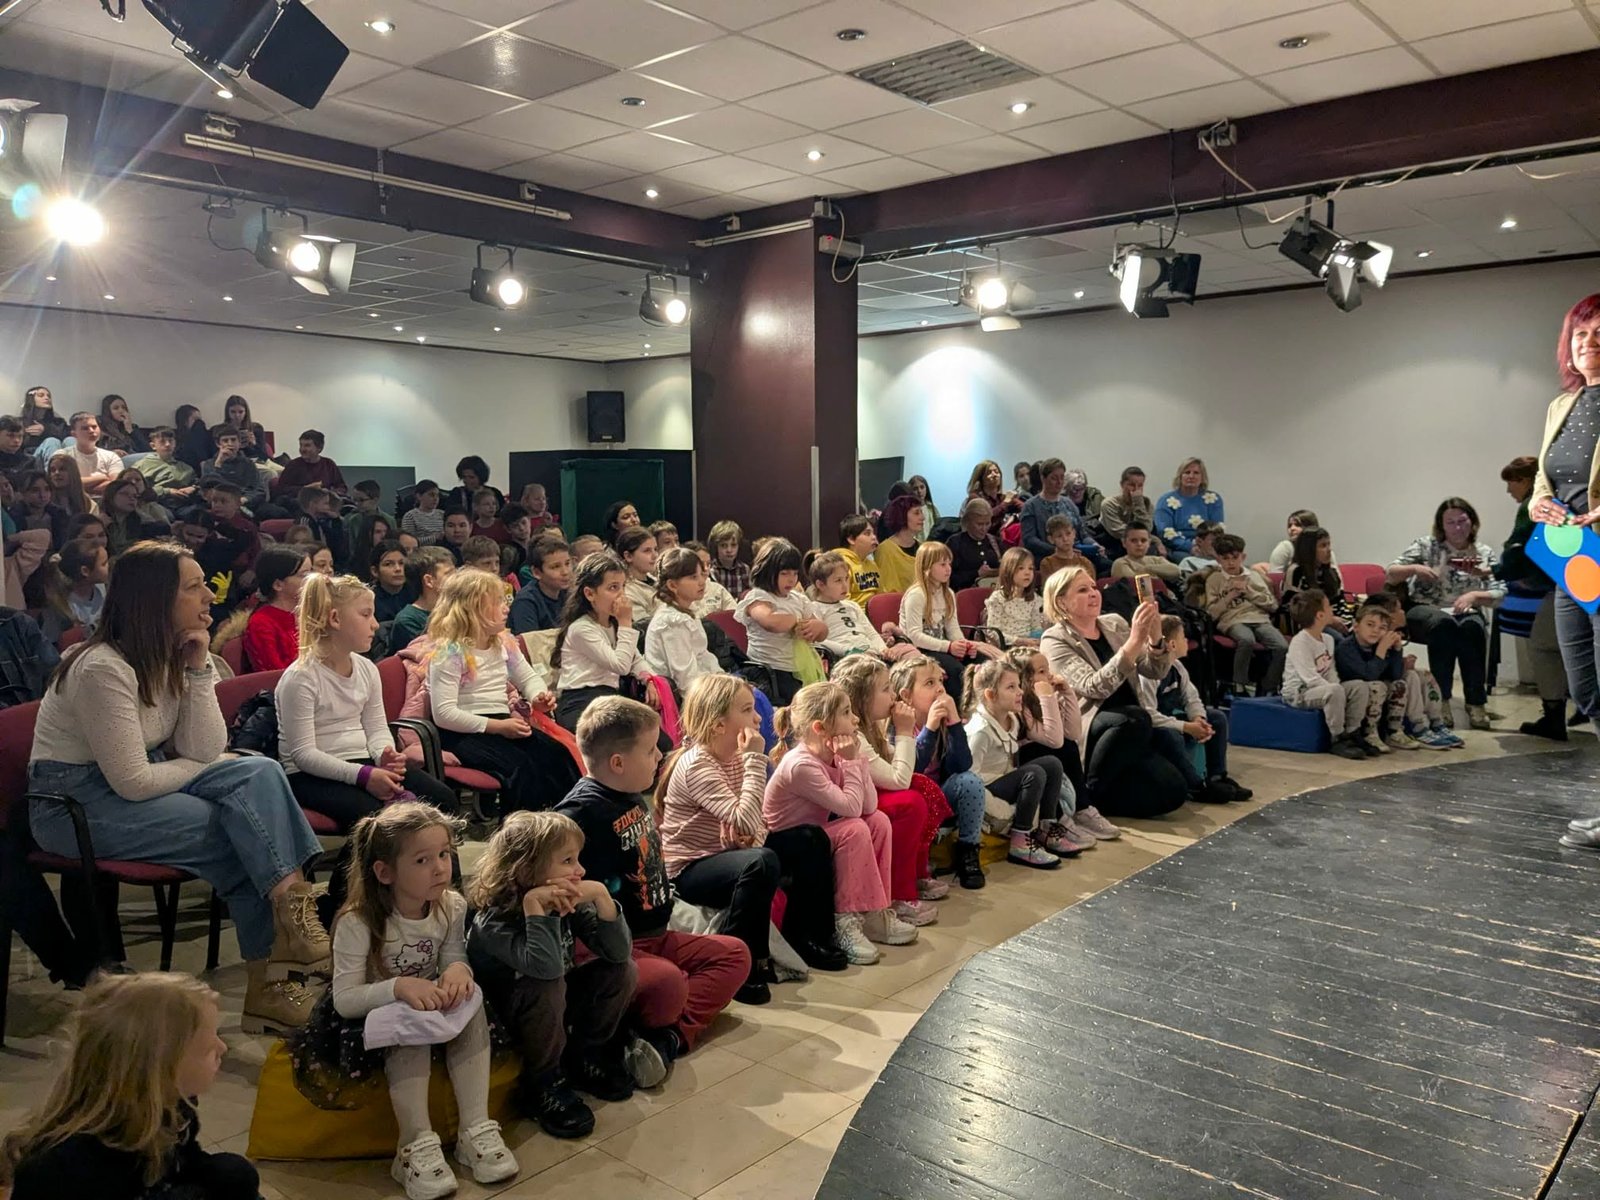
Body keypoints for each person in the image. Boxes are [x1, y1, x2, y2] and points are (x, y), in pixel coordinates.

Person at [28, 542, 327, 1030]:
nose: (210, 596)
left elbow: (205, 747)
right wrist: (201, 763)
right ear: (155, 599)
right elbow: (134, 781)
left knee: (260, 770)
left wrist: (198, 668)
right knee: (242, 834)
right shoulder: (101, 666)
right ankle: (274, 981)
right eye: (194, 587)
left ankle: (292, 915)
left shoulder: (171, 652)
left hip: (140, 778)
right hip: (73, 803)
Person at [306, 803, 516, 1198]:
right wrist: (398, 988)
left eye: (444, 854)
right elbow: (345, 999)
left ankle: (475, 1129)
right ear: (385, 872)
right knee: (407, 1023)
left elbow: (452, 954)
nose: (440, 868)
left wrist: (458, 971)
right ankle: (414, 1144)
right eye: (422, 860)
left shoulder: (451, 905)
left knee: (472, 1000)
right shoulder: (358, 921)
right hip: (372, 1015)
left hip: (426, 1000)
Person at [559, 698, 754, 1050]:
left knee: (735, 954)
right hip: (618, 949)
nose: (660, 756)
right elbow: (553, 877)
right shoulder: (578, 812)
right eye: (650, 751)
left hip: (658, 935)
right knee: (668, 982)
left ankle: (669, 1037)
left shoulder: (630, 793)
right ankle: (648, 1028)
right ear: (618, 763)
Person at [0, 972, 258, 1200]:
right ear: (159, 1067)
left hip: (148, 1185)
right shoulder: (65, 1168)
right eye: (207, 1047)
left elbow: (185, 1162)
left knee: (233, 1173)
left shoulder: (174, 1106)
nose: (222, 1048)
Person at [658, 675, 846, 973]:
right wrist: (755, 760)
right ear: (719, 724)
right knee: (760, 861)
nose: (758, 717)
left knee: (811, 839)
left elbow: (757, 819)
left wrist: (751, 837)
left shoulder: (735, 755)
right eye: (747, 710)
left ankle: (809, 936)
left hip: (726, 850)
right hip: (690, 869)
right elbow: (745, 818)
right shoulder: (698, 764)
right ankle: (747, 961)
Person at [465, 810, 636, 1138]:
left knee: (622, 969)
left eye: (578, 859)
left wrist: (602, 896)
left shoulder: (565, 902)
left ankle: (584, 1055)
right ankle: (542, 1081)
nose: (580, 870)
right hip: (510, 1019)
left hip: (553, 1007)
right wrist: (534, 906)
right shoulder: (493, 923)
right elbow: (546, 970)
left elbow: (618, 952)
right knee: (546, 985)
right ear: (526, 869)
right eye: (568, 861)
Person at [276, 572, 457, 836]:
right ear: (335, 619)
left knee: (443, 800)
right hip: (310, 775)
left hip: (363, 763)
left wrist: (384, 755)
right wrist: (364, 776)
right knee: (381, 821)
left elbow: (376, 728)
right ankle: (360, 864)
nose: (375, 625)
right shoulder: (300, 678)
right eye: (365, 615)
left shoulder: (367, 668)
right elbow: (304, 755)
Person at [764, 682, 917, 963]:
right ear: (820, 728)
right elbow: (851, 808)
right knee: (854, 829)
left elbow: (869, 806)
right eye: (846, 712)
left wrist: (855, 760)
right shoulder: (801, 764)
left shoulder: (835, 754)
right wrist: (851, 762)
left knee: (878, 821)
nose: (855, 719)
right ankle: (844, 921)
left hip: (815, 835)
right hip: (787, 843)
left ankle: (873, 912)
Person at [424, 567, 580, 814]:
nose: (507, 607)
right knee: (521, 767)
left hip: (503, 723)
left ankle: (566, 819)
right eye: (497, 602)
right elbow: (444, 714)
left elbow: (527, 677)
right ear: (473, 609)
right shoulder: (450, 653)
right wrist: (497, 727)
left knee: (558, 755)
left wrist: (538, 695)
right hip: (463, 732)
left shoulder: (504, 643)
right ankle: (524, 827)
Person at [1040, 565, 1188, 818]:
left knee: (1174, 791)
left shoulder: (1114, 623)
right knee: (1134, 718)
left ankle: (1103, 801)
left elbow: (1155, 671)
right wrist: (1134, 641)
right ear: (1061, 601)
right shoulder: (1054, 639)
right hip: (1093, 722)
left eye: (1093, 587)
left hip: (1131, 727)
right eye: (1082, 590)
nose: (1093, 593)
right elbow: (1094, 687)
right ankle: (1088, 793)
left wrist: (1155, 641)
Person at [832, 656, 949, 925]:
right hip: (845, 808)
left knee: (924, 788)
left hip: (866, 796)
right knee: (910, 802)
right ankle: (898, 893)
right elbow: (898, 779)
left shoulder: (871, 725)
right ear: (862, 697)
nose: (893, 696)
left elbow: (905, 768)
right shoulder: (854, 735)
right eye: (885, 689)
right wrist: (906, 731)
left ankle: (916, 874)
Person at [1387, 497, 1503, 729]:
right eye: (1450, 522)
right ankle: (1441, 700)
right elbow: (1390, 572)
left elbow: (1500, 590)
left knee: (1472, 627)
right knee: (1443, 625)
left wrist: (1474, 596)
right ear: (1441, 525)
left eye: (1462, 521)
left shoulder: (1482, 552)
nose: (1457, 528)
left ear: (1473, 522)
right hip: (1425, 608)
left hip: (1464, 608)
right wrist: (1414, 569)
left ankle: (1475, 702)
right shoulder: (1425, 545)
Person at [961, 658, 1073, 868]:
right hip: (985, 787)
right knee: (1034, 774)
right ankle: (1020, 840)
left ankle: (1047, 828)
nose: (1020, 692)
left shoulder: (1011, 720)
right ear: (991, 695)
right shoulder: (980, 731)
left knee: (1052, 763)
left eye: (1019, 685)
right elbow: (969, 778)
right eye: (1011, 687)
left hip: (1003, 778)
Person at [890, 653, 987, 889]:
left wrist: (953, 723)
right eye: (929, 683)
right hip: (912, 797)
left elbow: (961, 765)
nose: (940, 689)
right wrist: (930, 729)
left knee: (970, 781)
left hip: (940, 798)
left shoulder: (944, 722)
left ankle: (968, 850)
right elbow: (912, 769)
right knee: (918, 791)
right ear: (906, 695)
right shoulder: (897, 725)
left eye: (941, 681)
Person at [1496, 454, 1569, 740]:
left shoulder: (1533, 504)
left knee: (1543, 646)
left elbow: (1518, 549)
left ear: (1526, 480)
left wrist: (1499, 571)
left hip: (1564, 587)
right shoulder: (1564, 498)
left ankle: (1554, 717)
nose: (1508, 490)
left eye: (1511, 482)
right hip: (1578, 581)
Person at [1144, 615, 1251, 801]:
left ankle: (1216, 776)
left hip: (1172, 718)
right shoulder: (1148, 675)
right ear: (1172, 645)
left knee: (1216, 718)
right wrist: (1186, 727)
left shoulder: (1177, 667)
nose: (1187, 641)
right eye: (1183, 637)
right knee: (1171, 735)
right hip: (1155, 725)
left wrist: (1198, 719)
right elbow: (1149, 714)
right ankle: (1195, 786)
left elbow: (1192, 698)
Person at [552, 550, 661, 731]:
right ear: (590, 594)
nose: (622, 595)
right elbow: (621, 666)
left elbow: (635, 659)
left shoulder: (614, 623)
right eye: (613, 588)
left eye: (623, 587)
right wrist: (626, 622)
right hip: (581, 701)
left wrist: (650, 680)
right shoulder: (582, 628)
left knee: (659, 737)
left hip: (609, 697)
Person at [1283, 588, 1383, 760]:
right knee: (1335, 690)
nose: (1332, 610)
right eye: (1329, 606)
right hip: (1299, 692)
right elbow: (1309, 678)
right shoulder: (1300, 641)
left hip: (1323, 687)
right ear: (1320, 615)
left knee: (1359, 686)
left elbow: (1330, 671)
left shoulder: (1328, 639)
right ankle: (1337, 738)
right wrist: (1336, 690)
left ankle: (1353, 732)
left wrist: (1338, 687)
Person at [735, 537, 828, 705]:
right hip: (769, 672)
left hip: (799, 669)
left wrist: (817, 627)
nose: (791, 579)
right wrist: (795, 621)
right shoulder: (758, 597)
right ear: (766, 572)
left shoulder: (799, 599)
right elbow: (771, 622)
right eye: (784, 574)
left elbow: (822, 634)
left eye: (795, 573)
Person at [901, 539, 1000, 691]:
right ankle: (962, 705)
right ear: (927, 567)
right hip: (921, 649)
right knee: (956, 671)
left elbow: (952, 629)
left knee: (984, 662)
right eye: (942, 564)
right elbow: (914, 636)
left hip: (943, 646)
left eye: (949, 564)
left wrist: (964, 645)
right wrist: (948, 646)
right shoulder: (916, 595)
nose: (948, 569)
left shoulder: (948, 593)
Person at [1205, 533, 1287, 696]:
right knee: (1246, 639)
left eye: (1234, 557)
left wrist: (1249, 592)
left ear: (1243, 557)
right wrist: (1229, 596)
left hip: (1259, 619)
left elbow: (1272, 605)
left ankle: (1268, 686)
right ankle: (1239, 684)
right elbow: (1211, 613)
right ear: (1218, 560)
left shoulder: (1254, 577)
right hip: (1233, 620)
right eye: (1225, 558)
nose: (1230, 563)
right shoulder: (1214, 580)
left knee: (1282, 646)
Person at [1335, 601, 1417, 752]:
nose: (1375, 631)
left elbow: (1396, 675)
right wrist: (1382, 649)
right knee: (1376, 686)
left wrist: (1397, 649)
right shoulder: (1346, 647)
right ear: (1356, 626)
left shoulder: (1379, 646)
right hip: (1353, 692)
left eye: (1382, 628)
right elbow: (1369, 675)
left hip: (1375, 689)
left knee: (1399, 684)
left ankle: (1394, 731)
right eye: (1370, 625)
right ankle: (1369, 733)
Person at [644, 546, 722, 696]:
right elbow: (685, 681)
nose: (702, 582)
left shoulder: (686, 611)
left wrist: (724, 680)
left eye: (702, 575)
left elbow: (703, 656)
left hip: (704, 685)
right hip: (688, 697)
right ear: (673, 585)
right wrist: (719, 693)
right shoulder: (672, 622)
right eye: (693, 577)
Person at [810, 550, 906, 660]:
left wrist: (883, 649)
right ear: (820, 585)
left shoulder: (852, 605)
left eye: (846, 578)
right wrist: (849, 651)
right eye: (838, 581)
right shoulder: (814, 608)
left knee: (907, 653)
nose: (845, 585)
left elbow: (871, 633)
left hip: (871, 653)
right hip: (845, 658)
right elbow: (818, 641)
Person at [242, 544, 311, 671]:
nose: (312, 579)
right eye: (304, 575)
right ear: (278, 585)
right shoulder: (261, 623)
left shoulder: (310, 612)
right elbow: (274, 674)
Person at [39, 538, 107, 645]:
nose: (109, 566)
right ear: (85, 571)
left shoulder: (103, 588)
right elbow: (51, 646)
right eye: (104, 564)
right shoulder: (60, 608)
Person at [1282, 526, 1351, 631]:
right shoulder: (1296, 571)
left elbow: (1340, 602)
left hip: (1334, 620)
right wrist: (1329, 620)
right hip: (1308, 624)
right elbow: (1294, 608)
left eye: (1329, 544)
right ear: (1309, 550)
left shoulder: (1331, 571)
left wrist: (1348, 622)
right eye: (1323, 546)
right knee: (1337, 638)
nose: (1329, 550)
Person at [1154, 457, 1225, 557]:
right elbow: (1164, 532)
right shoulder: (1166, 500)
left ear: (1202, 477)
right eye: (1187, 472)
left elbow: (1217, 530)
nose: (1191, 476)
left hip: (1208, 547)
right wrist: (1190, 547)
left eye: (1196, 473)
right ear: (1180, 476)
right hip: (1177, 548)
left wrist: (1206, 548)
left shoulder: (1213, 499)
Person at [392, 545, 455, 655]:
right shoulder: (408, 620)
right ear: (429, 581)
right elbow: (432, 656)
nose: (458, 578)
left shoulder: (456, 608)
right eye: (449, 574)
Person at [1019, 457, 1081, 563]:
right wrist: (1057, 550)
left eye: (1062, 477)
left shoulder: (1069, 503)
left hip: (1075, 554)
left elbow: (1082, 533)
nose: (1059, 482)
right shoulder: (1031, 506)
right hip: (1047, 558)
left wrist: (1094, 544)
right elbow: (1030, 540)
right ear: (1043, 479)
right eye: (1054, 478)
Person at [510, 536, 571, 634]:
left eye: (567, 564)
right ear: (536, 573)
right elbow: (530, 641)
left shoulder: (570, 593)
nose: (565, 572)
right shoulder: (526, 602)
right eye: (555, 567)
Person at [984, 546, 1043, 647]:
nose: (1027, 573)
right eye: (1021, 568)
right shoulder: (997, 598)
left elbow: (1036, 628)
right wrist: (1019, 641)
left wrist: (1038, 640)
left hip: (1030, 646)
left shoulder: (1034, 598)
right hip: (1007, 646)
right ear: (1008, 571)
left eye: (1030, 568)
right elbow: (993, 632)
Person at [199, 425, 266, 510]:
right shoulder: (208, 464)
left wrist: (244, 499)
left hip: (245, 501)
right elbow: (207, 489)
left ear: (239, 443)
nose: (230, 444)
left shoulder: (248, 463)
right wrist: (218, 464)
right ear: (218, 444)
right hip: (220, 504)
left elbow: (259, 490)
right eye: (225, 441)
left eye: (233, 440)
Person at [134, 426, 198, 508]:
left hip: (184, 504)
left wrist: (193, 488)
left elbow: (197, 484)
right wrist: (167, 491)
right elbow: (135, 488)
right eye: (162, 441)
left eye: (170, 441)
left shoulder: (186, 468)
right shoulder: (142, 465)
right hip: (155, 504)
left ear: (175, 443)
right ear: (153, 446)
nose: (167, 444)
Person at [272, 429, 347, 498]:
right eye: (301, 445)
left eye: (307, 446)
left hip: (325, 501)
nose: (302, 449)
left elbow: (342, 487)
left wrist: (329, 493)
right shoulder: (293, 465)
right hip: (299, 503)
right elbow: (281, 489)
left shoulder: (329, 464)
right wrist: (306, 489)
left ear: (319, 448)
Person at [948, 497, 1002, 591]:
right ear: (968, 522)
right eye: (979, 524)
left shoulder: (995, 542)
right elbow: (949, 578)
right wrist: (976, 573)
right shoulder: (955, 543)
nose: (984, 528)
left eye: (987, 523)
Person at [873, 494, 923, 594]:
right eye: (916, 513)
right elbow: (887, 591)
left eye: (921, 513)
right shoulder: (885, 550)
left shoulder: (922, 548)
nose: (923, 517)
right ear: (902, 516)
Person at [10, 470, 69, 553]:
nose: (42, 495)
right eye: (35, 490)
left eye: (47, 489)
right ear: (22, 493)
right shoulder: (14, 517)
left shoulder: (59, 514)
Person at [296, 484, 351, 571]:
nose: (328, 507)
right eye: (325, 503)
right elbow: (305, 547)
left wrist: (336, 520)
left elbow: (337, 543)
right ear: (313, 504)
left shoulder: (321, 523)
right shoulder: (304, 522)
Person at [65, 412, 121, 497]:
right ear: (74, 434)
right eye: (85, 428)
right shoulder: (63, 455)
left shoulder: (112, 456)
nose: (91, 431)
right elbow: (65, 483)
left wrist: (80, 487)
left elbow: (115, 485)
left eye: (94, 427)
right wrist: (101, 477)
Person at [1110, 522, 1180, 585]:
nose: (1139, 544)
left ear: (1149, 543)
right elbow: (1135, 583)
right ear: (1124, 543)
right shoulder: (1120, 563)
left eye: (1143, 540)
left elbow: (1176, 571)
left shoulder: (1156, 560)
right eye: (1134, 541)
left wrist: (1148, 568)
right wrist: (1157, 573)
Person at [965, 459, 1023, 531]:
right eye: (989, 473)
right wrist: (1005, 503)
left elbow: (1026, 508)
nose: (994, 475)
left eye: (996, 472)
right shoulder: (975, 498)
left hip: (1000, 535)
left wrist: (1014, 517)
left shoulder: (1002, 497)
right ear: (981, 478)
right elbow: (986, 516)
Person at [837, 514, 883, 603]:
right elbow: (843, 602)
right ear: (851, 539)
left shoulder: (872, 564)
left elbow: (880, 595)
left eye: (873, 533)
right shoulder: (841, 565)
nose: (874, 537)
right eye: (867, 533)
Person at [1267, 509, 1329, 574]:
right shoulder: (1286, 547)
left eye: (1298, 525)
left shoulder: (1324, 549)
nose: (1292, 528)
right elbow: (1274, 577)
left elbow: (1334, 575)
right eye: (1290, 525)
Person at [617, 525, 659, 621]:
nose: (655, 555)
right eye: (647, 551)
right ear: (628, 556)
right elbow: (644, 625)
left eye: (655, 549)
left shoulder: (655, 580)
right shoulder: (627, 591)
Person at [370, 539, 415, 624]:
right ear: (375, 571)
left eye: (401, 563)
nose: (398, 569)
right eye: (388, 564)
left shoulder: (418, 593)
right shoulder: (370, 599)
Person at [1038, 513, 1093, 579]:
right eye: (1059, 536)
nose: (1065, 539)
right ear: (1051, 539)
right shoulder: (1048, 563)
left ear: (1074, 533)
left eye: (1068, 533)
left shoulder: (1085, 563)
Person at [20, 384, 69, 456]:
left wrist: (45, 430)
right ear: (31, 399)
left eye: (48, 396)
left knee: (71, 440)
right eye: (41, 395)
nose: (46, 398)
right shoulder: (20, 422)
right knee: (51, 441)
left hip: (61, 454)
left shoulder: (59, 422)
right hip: (31, 457)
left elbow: (65, 436)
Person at [707, 519, 750, 598]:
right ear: (716, 547)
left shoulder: (745, 570)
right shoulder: (711, 570)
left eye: (733, 545)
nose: (729, 550)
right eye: (723, 545)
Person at [222, 394, 269, 462]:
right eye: (233, 412)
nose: (237, 415)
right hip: (233, 463)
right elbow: (216, 457)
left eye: (240, 412)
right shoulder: (221, 430)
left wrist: (254, 444)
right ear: (227, 412)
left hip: (256, 462)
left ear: (246, 412)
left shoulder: (256, 428)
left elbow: (264, 457)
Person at [47, 450, 92, 517]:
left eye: (62, 469)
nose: (57, 473)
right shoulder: (45, 500)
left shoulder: (85, 500)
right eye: (53, 470)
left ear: (73, 472)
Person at [402, 478, 444, 545]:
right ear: (419, 496)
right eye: (431, 495)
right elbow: (408, 541)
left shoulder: (443, 514)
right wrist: (435, 538)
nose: (435, 498)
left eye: (437, 495)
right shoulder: (410, 516)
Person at [172, 406, 214, 472]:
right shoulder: (175, 439)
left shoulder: (206, 438)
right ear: (185, 422)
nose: (199, 423)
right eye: (195, 420)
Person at [908, 474, 939, 541]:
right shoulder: (908, 510)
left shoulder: (932, 508)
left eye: (922, 487)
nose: (919, 491)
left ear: (926, 489)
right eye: (915, 489)